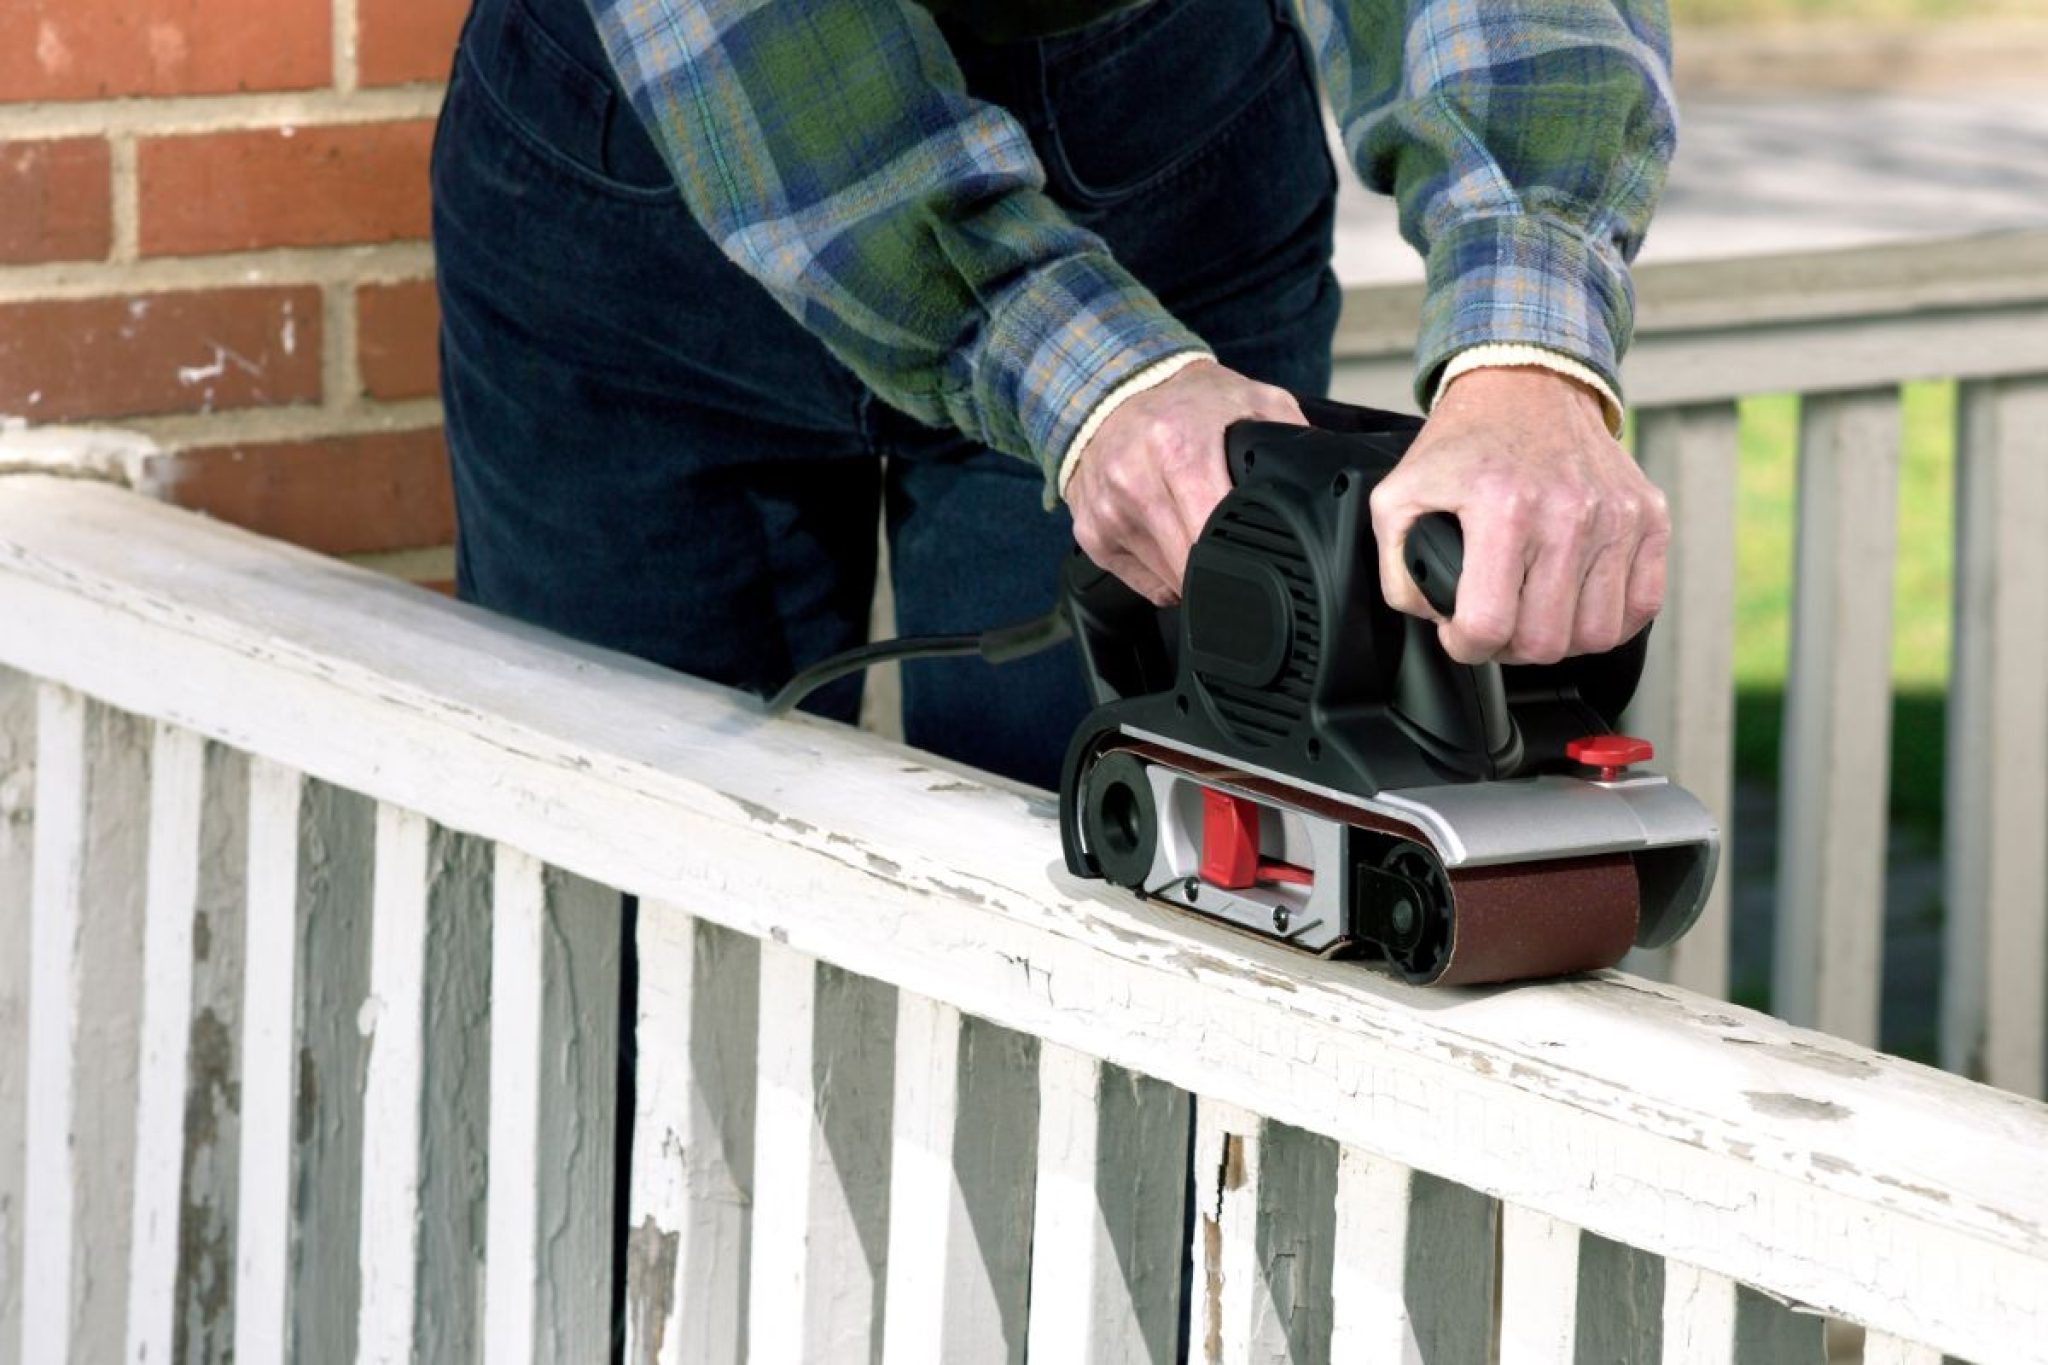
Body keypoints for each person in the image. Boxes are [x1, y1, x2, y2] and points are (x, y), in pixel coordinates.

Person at [431, 0, 1676, 791]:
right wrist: (1096, 383)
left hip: (1156, 126)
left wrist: (1527, 340)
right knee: (620, 907)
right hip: (647, 175)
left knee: (1125, 920)